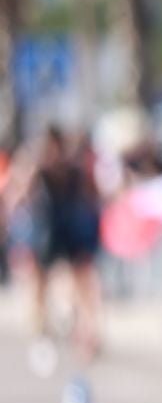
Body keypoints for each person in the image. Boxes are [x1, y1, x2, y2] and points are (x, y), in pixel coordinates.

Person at [4, 126, 104, 371]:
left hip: (68, 231)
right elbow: (15, 196)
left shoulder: (73, 171)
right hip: (42, 234)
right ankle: (42, 331)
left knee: (81, 280)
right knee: (39, 282)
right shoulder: (35, 170)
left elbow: (92, 196)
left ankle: (84, 332)